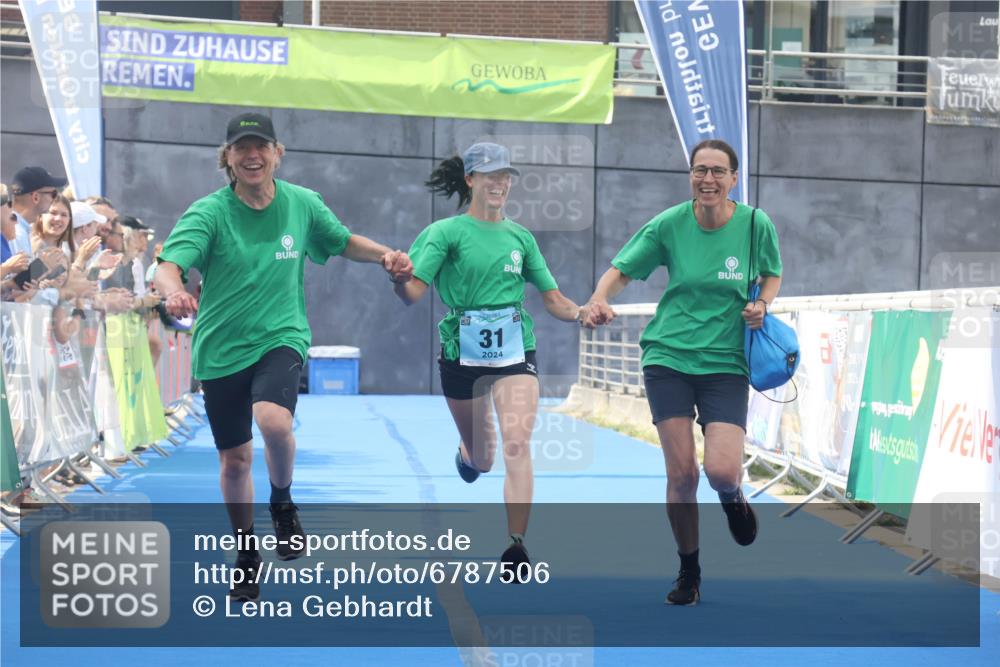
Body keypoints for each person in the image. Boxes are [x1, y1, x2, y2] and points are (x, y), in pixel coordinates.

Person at [156, 112, 413, 603]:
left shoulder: (302, 204)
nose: (252, 155)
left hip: (282, 335)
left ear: (277, 153)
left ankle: (282, 500)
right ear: (228, 158)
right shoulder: (208, 212)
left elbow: (342, 242)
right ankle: (246, 552)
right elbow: (170, 266)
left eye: (261, 146)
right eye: (241, 148)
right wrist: (172, 294)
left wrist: (386, 255)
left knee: (274, 423)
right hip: (221, 348)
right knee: (234, 459)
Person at [583, 139, 783, 605]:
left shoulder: (756, 225)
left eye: (718, 171)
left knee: (721, 471)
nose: (708, 179)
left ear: (734, 178)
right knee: (682, 475)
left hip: (726, 362)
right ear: (690, 175)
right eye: (699, 171)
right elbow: (622, 270)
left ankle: (734, 498)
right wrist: (600, 298)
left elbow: (771, 273)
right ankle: (688, 572)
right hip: (668, 357)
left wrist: (762, 303)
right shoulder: (670, 224)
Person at [393, 142, 587, 575]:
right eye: (491, 175)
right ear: (471, 180)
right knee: (485, 459)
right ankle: (468, 454)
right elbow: (413, 294)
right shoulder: (446, 233)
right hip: (462, 353)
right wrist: (398, 280)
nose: (500, 183)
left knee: (517, 443)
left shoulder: (521, 237)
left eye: (506, 176)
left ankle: (516, 545)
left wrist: (580, 313)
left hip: (516, 352)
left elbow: (553, 299)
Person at [10, 166, 67, 257]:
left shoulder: (18, 228)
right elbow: (21, 271)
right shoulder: (17, 233)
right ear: (35, 197)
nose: (55, 199)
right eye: (53, 194)